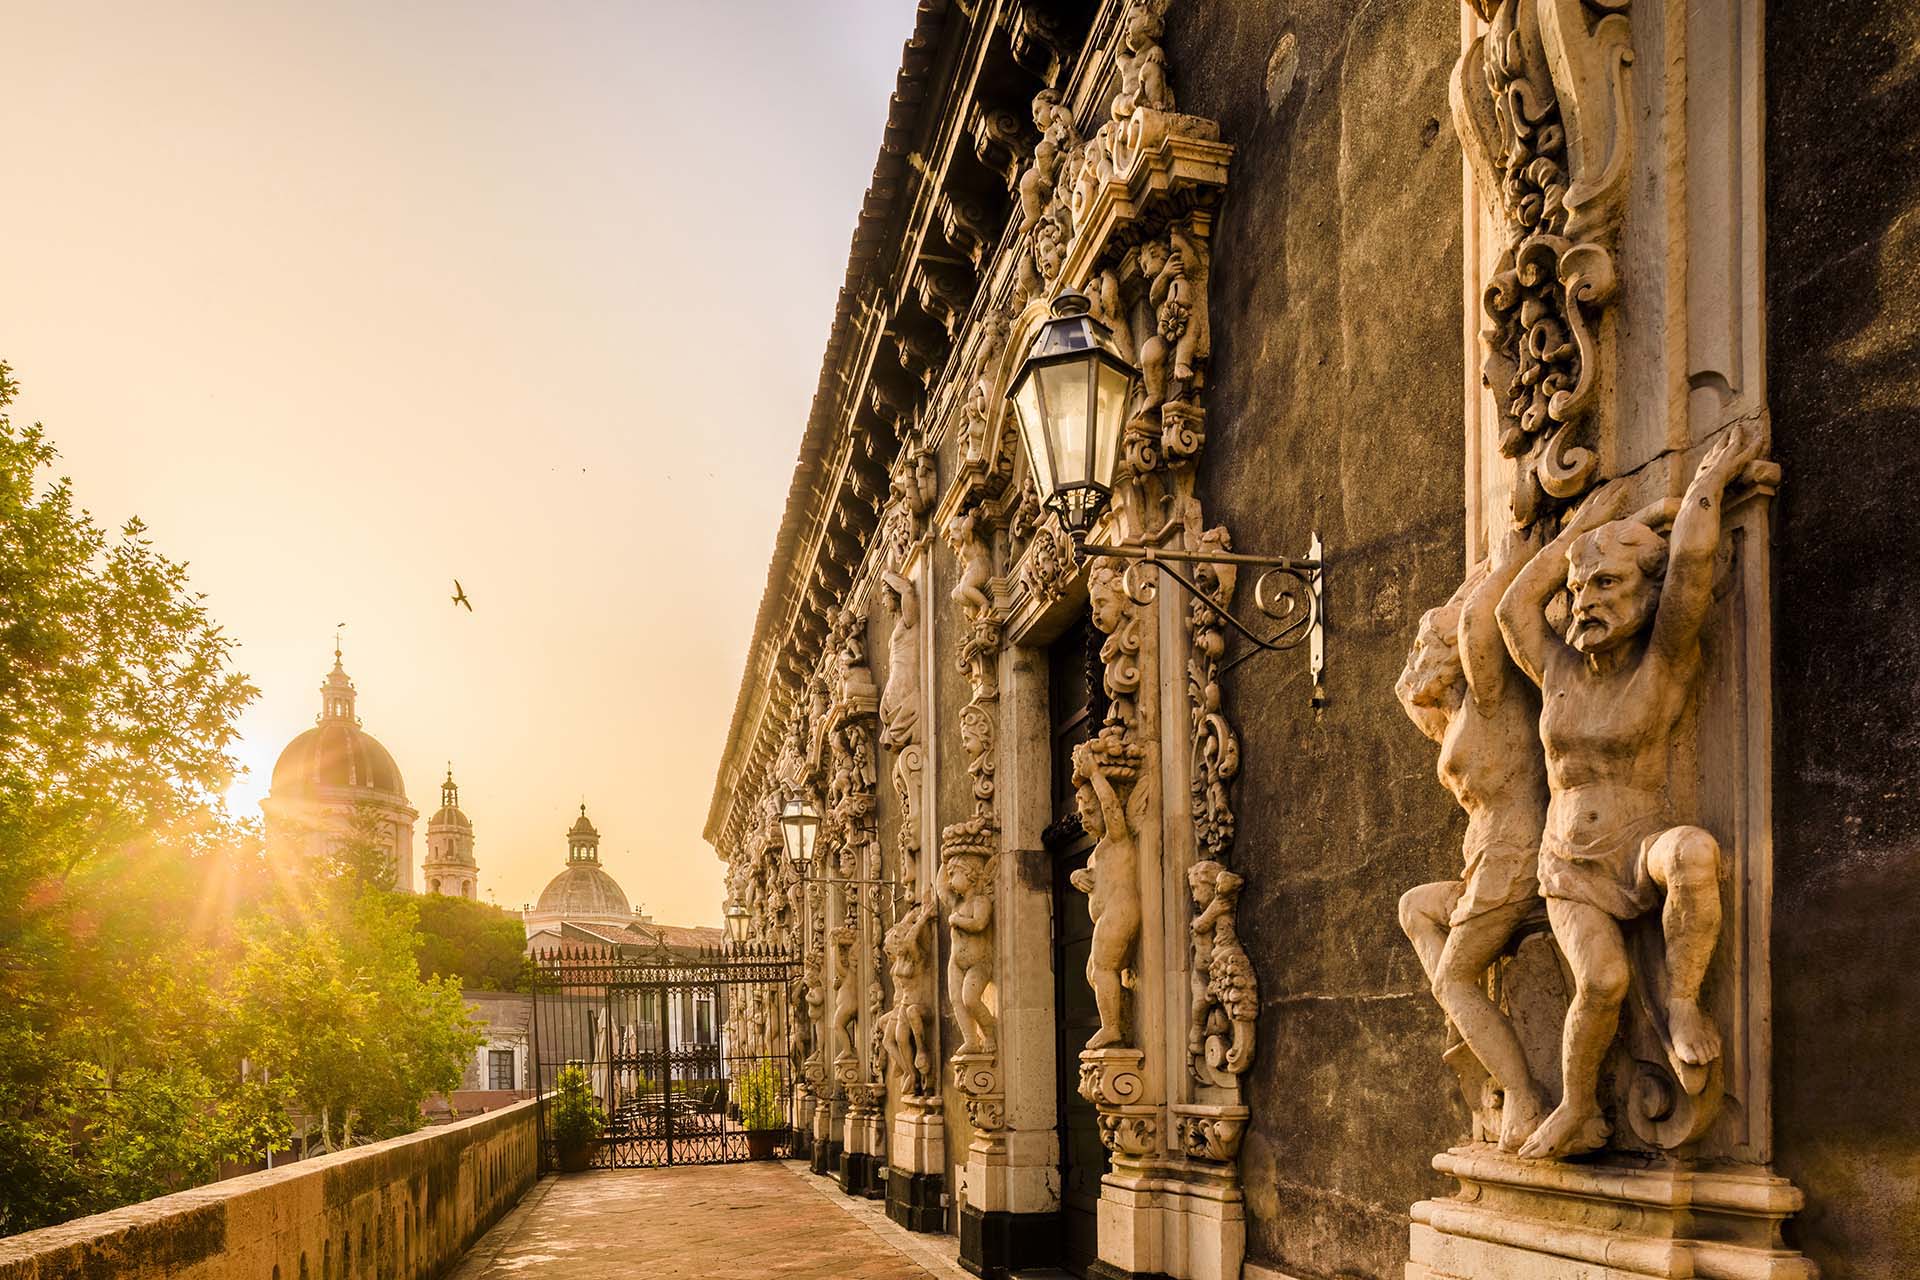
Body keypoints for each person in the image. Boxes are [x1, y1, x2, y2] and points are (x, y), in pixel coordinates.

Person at [1495, 422, 1769, 1159]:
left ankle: (1682, 1002)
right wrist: (1583, 535)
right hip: (1569, 867)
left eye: (1606, 584)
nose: (1584, 600)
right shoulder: (1554, 669)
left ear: (1646, 598)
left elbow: (1691, 566)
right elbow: (1513, 609)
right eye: (1580, 589)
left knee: (1693, 854)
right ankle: (1578, 1106)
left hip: (1638, 843)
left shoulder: (1664, 664)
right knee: (1605, 982)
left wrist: (1704, 486)